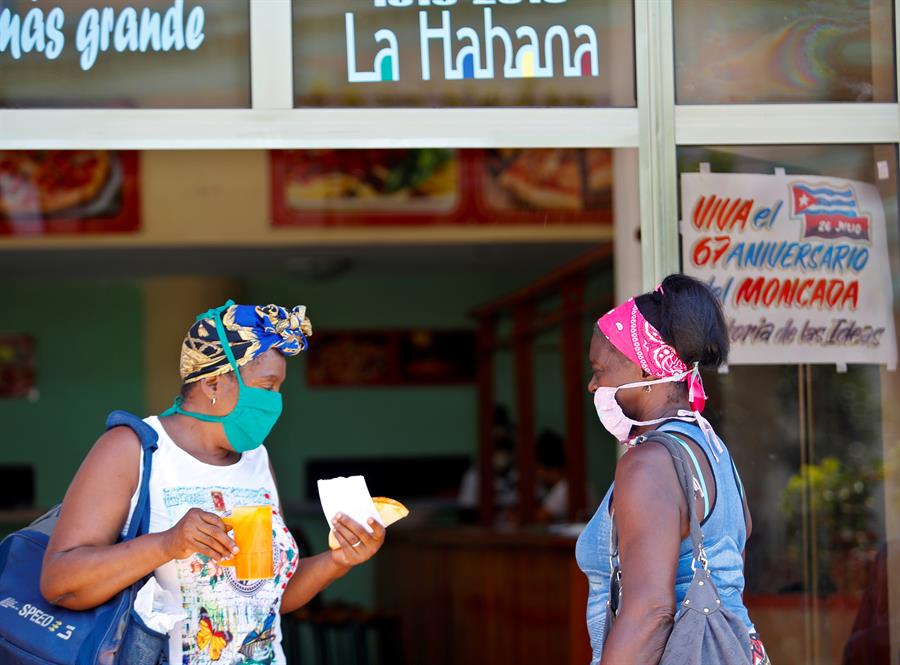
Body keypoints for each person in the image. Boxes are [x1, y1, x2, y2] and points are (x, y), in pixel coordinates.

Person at [40, 301, 385, 665]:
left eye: (279, 388)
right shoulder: (133, 449)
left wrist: (338, 560)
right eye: (266, 386)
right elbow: (60, 582)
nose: (275, 402)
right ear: (212, 382)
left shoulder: (257, 460)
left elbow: (268, 599)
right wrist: (168, 543)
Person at [575, 274, 770, 665]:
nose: (593, 385)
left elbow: (650, 614)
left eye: (599, 369)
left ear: (646, 371)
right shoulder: (713, 450)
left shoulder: (649, 463)